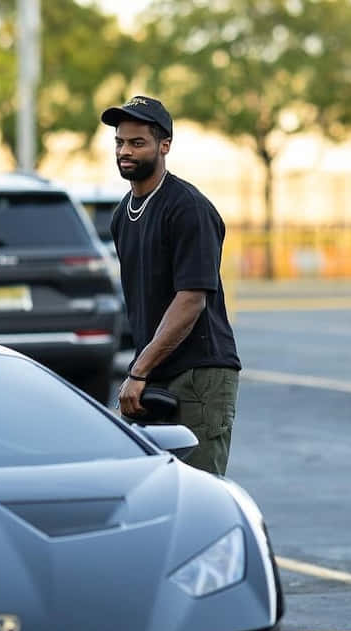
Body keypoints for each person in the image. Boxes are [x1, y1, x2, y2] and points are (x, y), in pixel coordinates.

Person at [101, 95, 241, 476]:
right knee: (149, 487)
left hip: (199, 375)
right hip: (154, 374)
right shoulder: (121, 216)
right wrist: (142, 372)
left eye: (137, 142)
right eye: (119, 142)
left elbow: (191, 300)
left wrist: (137, 371)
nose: (125, 151)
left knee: (198, 491)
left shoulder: (188, 208)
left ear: (165, 146)